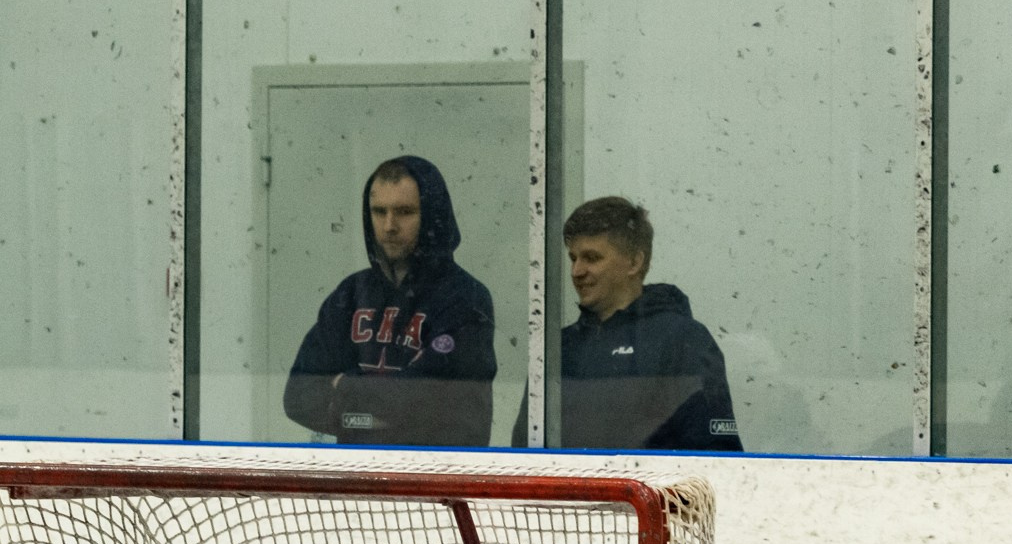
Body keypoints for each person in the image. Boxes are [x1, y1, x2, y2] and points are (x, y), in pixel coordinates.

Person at [284, 156, 495, 448]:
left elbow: (437, 404)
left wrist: (343, 387)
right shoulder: (350, 294)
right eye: (378, 211)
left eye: (405, 212)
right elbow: (298, 397)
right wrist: (381, 412)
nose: (389, 225)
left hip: (437, 482)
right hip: (360, 480)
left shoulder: (465, 298)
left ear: (432, 215)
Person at [521, 196, 743, 452]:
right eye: (573, 258)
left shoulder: (683, 340)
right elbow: (525, 451)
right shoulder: (559, 348)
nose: (577, 271)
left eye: (592, 258)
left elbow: (716, 457)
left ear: (635, 262)